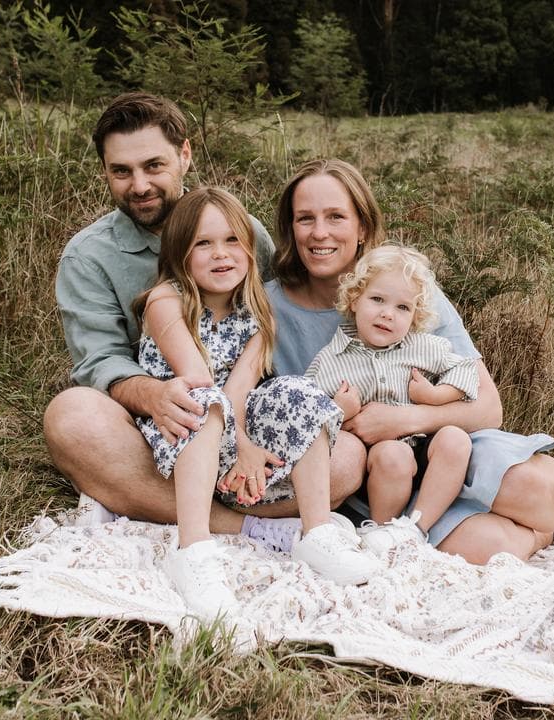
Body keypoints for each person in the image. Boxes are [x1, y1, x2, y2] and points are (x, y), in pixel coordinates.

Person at [267, 158, 554, 564]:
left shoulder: (407, 287)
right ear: (291, 228)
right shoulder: (270, 307)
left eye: (336, 217)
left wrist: (405, 419)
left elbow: (488, 407)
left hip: (442, 444)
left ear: (362, 226)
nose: (320, 232)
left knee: (525, 482)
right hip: (375, 479)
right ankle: (540, 530)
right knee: (492, 547)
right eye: (305, 218)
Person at [42, 93, 364, 555]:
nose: (139, 185)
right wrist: (155, 396)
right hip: (155, 429)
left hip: (244, 417)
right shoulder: (87, 256)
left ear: (184, 155)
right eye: (121, 171)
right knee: (71, 416)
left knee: (346, 459)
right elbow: (100, 363)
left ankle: (147, 504)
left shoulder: (244, 229)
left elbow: (270, 310)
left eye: (154, 165)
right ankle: (243, 526)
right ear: (105, 172)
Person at [131, 187, 379, 617]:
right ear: (179, 253)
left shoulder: (257, 312)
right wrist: (242, 447)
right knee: (204, 401)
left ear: (249, 249)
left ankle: (317, 532)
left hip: (231, 422)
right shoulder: (166, 301)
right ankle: (192, 551)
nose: (220, 254)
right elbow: (198, 380)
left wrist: (244, 445)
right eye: (203, 244)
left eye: (232, 241)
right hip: (178, 427)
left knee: (299, 391)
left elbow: (239, 390)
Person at [305, 245, 477, 556]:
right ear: (355, 300)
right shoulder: (331, 359)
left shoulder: (424, 347)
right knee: (392, 454)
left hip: (425, 448)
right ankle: (382, 533)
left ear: (414, 317)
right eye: (377, 300)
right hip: (377, 464)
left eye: (403, 308)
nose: (388, 314)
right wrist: (340, 411)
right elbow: (306, 414)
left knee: (456, 438)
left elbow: (466, 369)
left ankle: (415, 529)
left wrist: (436, 395)